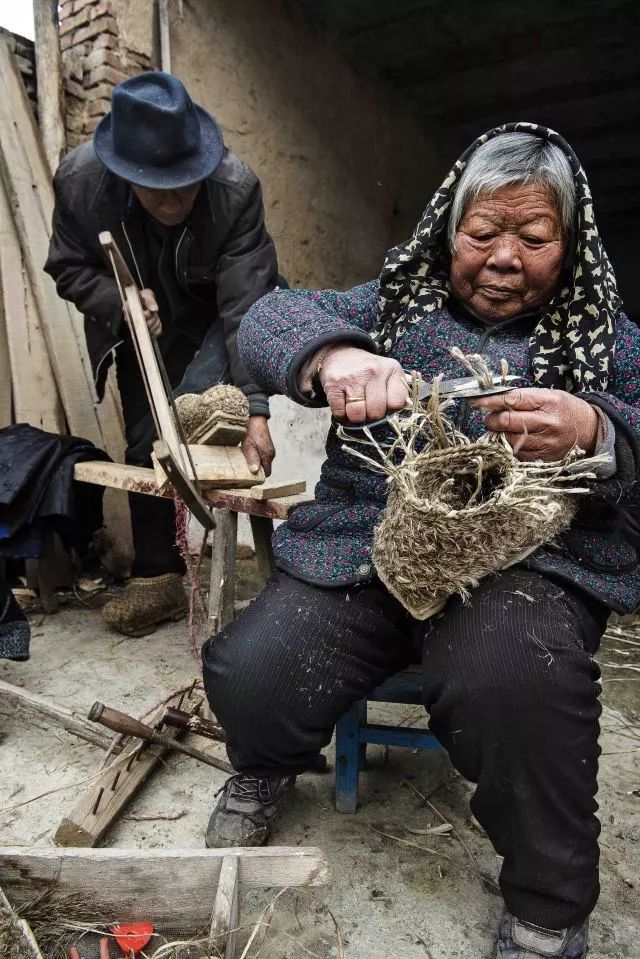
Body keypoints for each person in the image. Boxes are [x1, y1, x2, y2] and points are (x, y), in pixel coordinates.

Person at [201, 124, 640, 958]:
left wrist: (595, 426)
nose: (504, 257)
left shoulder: (605, 338)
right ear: (449, 228)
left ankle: (547, 910)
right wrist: (330, 355)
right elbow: (266, 317)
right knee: (251, 669)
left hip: (526, 568)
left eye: (534, 237)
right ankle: (261, 766)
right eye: (483, 233)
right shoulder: (395, 304)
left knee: (514, 679)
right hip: (366, 548)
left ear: (571, 240)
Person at [45, 72, 279, 636]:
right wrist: (118, 301)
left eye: (186, 183)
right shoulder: (80, 183)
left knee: (202, 411)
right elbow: (67, 267)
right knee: (145, 440)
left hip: (217, 315)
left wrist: (255, 407)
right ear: (125, 174)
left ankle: (245, 565)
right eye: (158, 188)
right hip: (138, 323)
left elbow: (245, 306)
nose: (175, 201)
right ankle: (159, 576)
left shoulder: (234, 188)